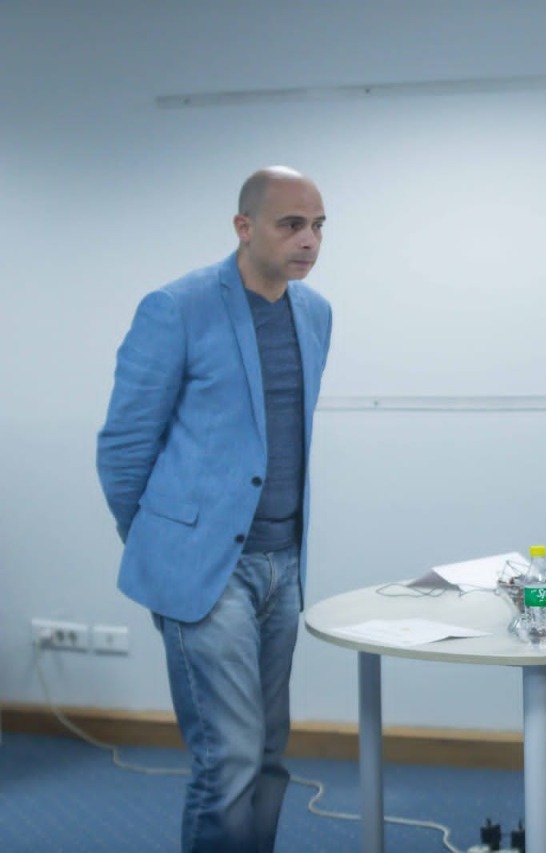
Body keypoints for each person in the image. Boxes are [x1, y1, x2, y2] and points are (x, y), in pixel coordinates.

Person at [97, 166, 332, 850]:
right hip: (206, 569)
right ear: (244, 227)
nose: (309, 240)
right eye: (292, 224)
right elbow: (124, 446)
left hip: (284, 563)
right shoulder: (177, 307)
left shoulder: (316, 313)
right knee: (228, 757)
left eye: (319, 226)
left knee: (268, 752)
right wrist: (163, 543)